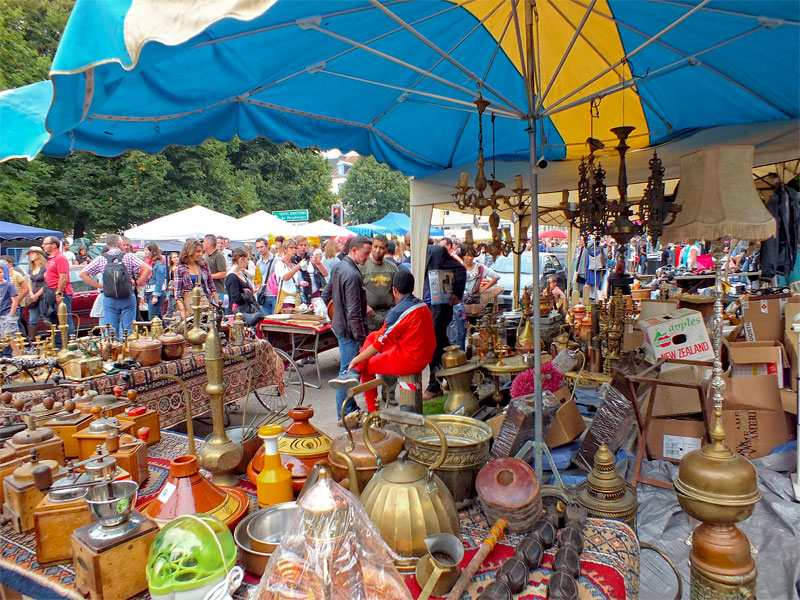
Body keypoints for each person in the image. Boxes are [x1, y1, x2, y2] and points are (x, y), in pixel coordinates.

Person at [330, 271, 435, 412]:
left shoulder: (399, 312)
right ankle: (355, 372)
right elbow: (381, 337)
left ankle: (373, 412)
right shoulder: (421, 305)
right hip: (423, 353)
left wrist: (356, 360)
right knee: (373, 335)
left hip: (411, 359)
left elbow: (378, 345)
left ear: (394, 290)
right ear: (413, 288)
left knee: (365, 366)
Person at [322, 235, 372, 422]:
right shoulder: (351, 273)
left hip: (341, 326)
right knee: (347, 373)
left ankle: (349, 409)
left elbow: (326, 295)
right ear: (354, 250)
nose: (367, 257)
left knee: (347, 371)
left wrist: (336, 316)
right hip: (348, 330)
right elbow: (353, 312)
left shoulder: (339, 266)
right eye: (365, 254)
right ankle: (344, 414)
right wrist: (361, 340)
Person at [79, 234, 151, 336]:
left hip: (110, 297)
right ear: (119, 244)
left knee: (112, 329)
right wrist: (136, 283)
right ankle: (126, 348)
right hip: (127, 296)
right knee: (128, 328)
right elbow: (148, 269)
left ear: (108, 245)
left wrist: (99, 285)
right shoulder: (129, 256)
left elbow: (82, 274)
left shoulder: (101, 259)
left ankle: (114, 349)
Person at [422, 244, 466, 400]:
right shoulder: (410, 257)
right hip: (423, 307)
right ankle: (452, 378)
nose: (408, 247)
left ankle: (435, 384)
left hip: (439, 307)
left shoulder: (436, 252)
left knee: (434, 345)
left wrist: (456, 293)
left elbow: (461, 269)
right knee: (442, 345)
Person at [361, 235, 398, 332]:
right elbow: (355, 291)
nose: (378, 250)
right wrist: (365, 306)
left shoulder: (392, 268)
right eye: (375, 246)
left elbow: (398, 291)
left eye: (382, 248)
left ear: (386, 249)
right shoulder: (363, 267)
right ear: (371, 247)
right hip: (370, 316)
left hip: (389, 315)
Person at [42, 236, 75, 344]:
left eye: (45, 243)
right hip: (50, 290)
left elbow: (63, 277)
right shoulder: (50, 258)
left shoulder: (60, 258)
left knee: (65, 320)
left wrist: (58, 292)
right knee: (54, 320)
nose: (43, 246)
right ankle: (59, 345)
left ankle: (70, 345)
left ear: (54, 245)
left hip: (61, 292)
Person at [174, 238, 217, 318]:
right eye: (198, 251)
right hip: (190, 307)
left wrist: (217, 305)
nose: (200, 254)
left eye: (201, 251)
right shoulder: (180, 269)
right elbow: (177, 294)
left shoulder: (204, 266)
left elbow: (212, 286)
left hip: (206, 305)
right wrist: (183, 311)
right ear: (190, 252)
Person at [226, 247, 263, 324]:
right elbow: (236, 298)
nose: (248, 262)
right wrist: (247, 293)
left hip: (245, 312)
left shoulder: (241, 273)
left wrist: (250, 291)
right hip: (237, 314)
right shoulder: (232, 276)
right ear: (241, 259)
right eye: (247, 259)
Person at [25, 246, 47, 341]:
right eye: (30, 254)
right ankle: (32, 342)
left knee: (47, 319)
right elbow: (29, 281)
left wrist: (36, 295)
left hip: (43, 297)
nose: (31, 255)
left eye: (33, 253)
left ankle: (54, 339)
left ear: (39, 255)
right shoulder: (31, 268)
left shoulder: (44, 268)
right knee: (32, 320)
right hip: (34, 298)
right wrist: (30, 293)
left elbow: (46, 283)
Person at [254, 237, 278, 316]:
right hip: (264, 294)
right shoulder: (258, 263)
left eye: (261, 247)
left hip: (275, 294)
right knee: (266, 319)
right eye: (258, 248)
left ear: (267, 246)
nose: (260, 249)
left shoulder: (276, 260)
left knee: (275, 320)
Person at [0, 265, 21, 356]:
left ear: (4, 273)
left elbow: (15, 300)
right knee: (2, 337)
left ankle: (20, 356)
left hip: (8, 313)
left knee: (11, 336)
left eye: (0, 272)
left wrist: (11, 315)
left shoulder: (9, 285)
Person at [143, 243, 167, 320]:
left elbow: (160, 281)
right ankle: (165, 330)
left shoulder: (158, 264)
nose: (145, 252)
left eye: (146, 250)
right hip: (149, 291)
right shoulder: (147, 263)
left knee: (153, 317)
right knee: (158, 316)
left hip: (156, 292)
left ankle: (159, 331)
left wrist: (155, 296)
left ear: (152, 251)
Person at [203, 234, 227, 300]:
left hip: (217, 291)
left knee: (216, 309)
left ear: (209, 244)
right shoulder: (207, 256)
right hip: (208, 291)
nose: (203, 244)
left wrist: (208, 276)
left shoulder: (218, 256)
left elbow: (223, 273)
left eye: (204, 242)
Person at [166, 252, 180, 318]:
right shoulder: (170, 268)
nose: (176, 258)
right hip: (171, 288)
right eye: (174, 257)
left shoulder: (180, 267)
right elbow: (168, 278)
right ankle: (166, 322)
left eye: (177, 257)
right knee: (170, 307)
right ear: (171, 259)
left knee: (176, 306)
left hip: (178, 287)